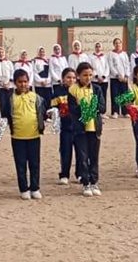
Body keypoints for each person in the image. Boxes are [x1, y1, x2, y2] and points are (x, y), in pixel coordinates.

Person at [5, 67, 46, 200]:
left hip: (34, 136)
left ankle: (35, 188)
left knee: (34, 163)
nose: (23, 84)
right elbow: (6, 115)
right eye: (20, 82)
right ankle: (23, 189)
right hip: (17, 137)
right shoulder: (10, 98)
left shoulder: (36, 97)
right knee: (20, 164)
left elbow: (42, 113)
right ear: (15, 83)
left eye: (25, 81)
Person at [68, 62, 105, 195]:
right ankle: (86, 183)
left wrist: (86, 106)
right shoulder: (73, 90)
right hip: (80, 129)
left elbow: (102, 107)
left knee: (94, 157)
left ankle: (94, 182)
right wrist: (86, 107)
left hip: (94, 128)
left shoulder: (97, 89)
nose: (88, 78)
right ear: (78, 75)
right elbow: (73, 109)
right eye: (85, 75)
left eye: (90, 75)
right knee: (83, 157)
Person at [51, 67, 79, 185]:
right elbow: (53, 107)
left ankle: (80, 174)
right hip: (65, 127)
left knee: (80, 152)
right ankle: (64, 174)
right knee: (65, 151)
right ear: (63, 79)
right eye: (68, 77)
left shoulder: (79, 91)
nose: (71, 80)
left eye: (73, 77)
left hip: (79, 127)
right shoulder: (58, 92)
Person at [108, 38, 130, 118]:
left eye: (119, 43)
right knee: (115, 94)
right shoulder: (111, 54)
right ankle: (115, 112)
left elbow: (127, 65)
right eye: (116, 43)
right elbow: (111, 66)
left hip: (124, 78)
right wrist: (117, 75)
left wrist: (126, 75)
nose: (118, 44)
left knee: (124, 95)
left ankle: (125, 112)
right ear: (114, 44)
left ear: (121, 44)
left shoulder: (124, 54)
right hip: (115, 78)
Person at [0, 46, 15, 120]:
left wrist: (8, 83)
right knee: (2, 103)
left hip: (9, 86)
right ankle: (4, 119)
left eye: (2, 52)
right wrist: (1, 83)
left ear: (4, 53)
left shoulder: (9, 62)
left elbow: (12, 72)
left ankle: (10, 119)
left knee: (10, 103)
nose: (1, 54)